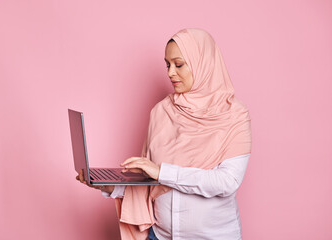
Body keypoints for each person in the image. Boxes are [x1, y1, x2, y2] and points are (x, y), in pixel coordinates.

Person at [76, 28, 252, 240]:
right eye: (167, 65)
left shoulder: (234, 115)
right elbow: (150, 182)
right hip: (159, 235)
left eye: (179, 65)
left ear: (202, 63)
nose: (170, 73)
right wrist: (110, 186)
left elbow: (227, 182)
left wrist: (163, 172)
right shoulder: (161, 111)